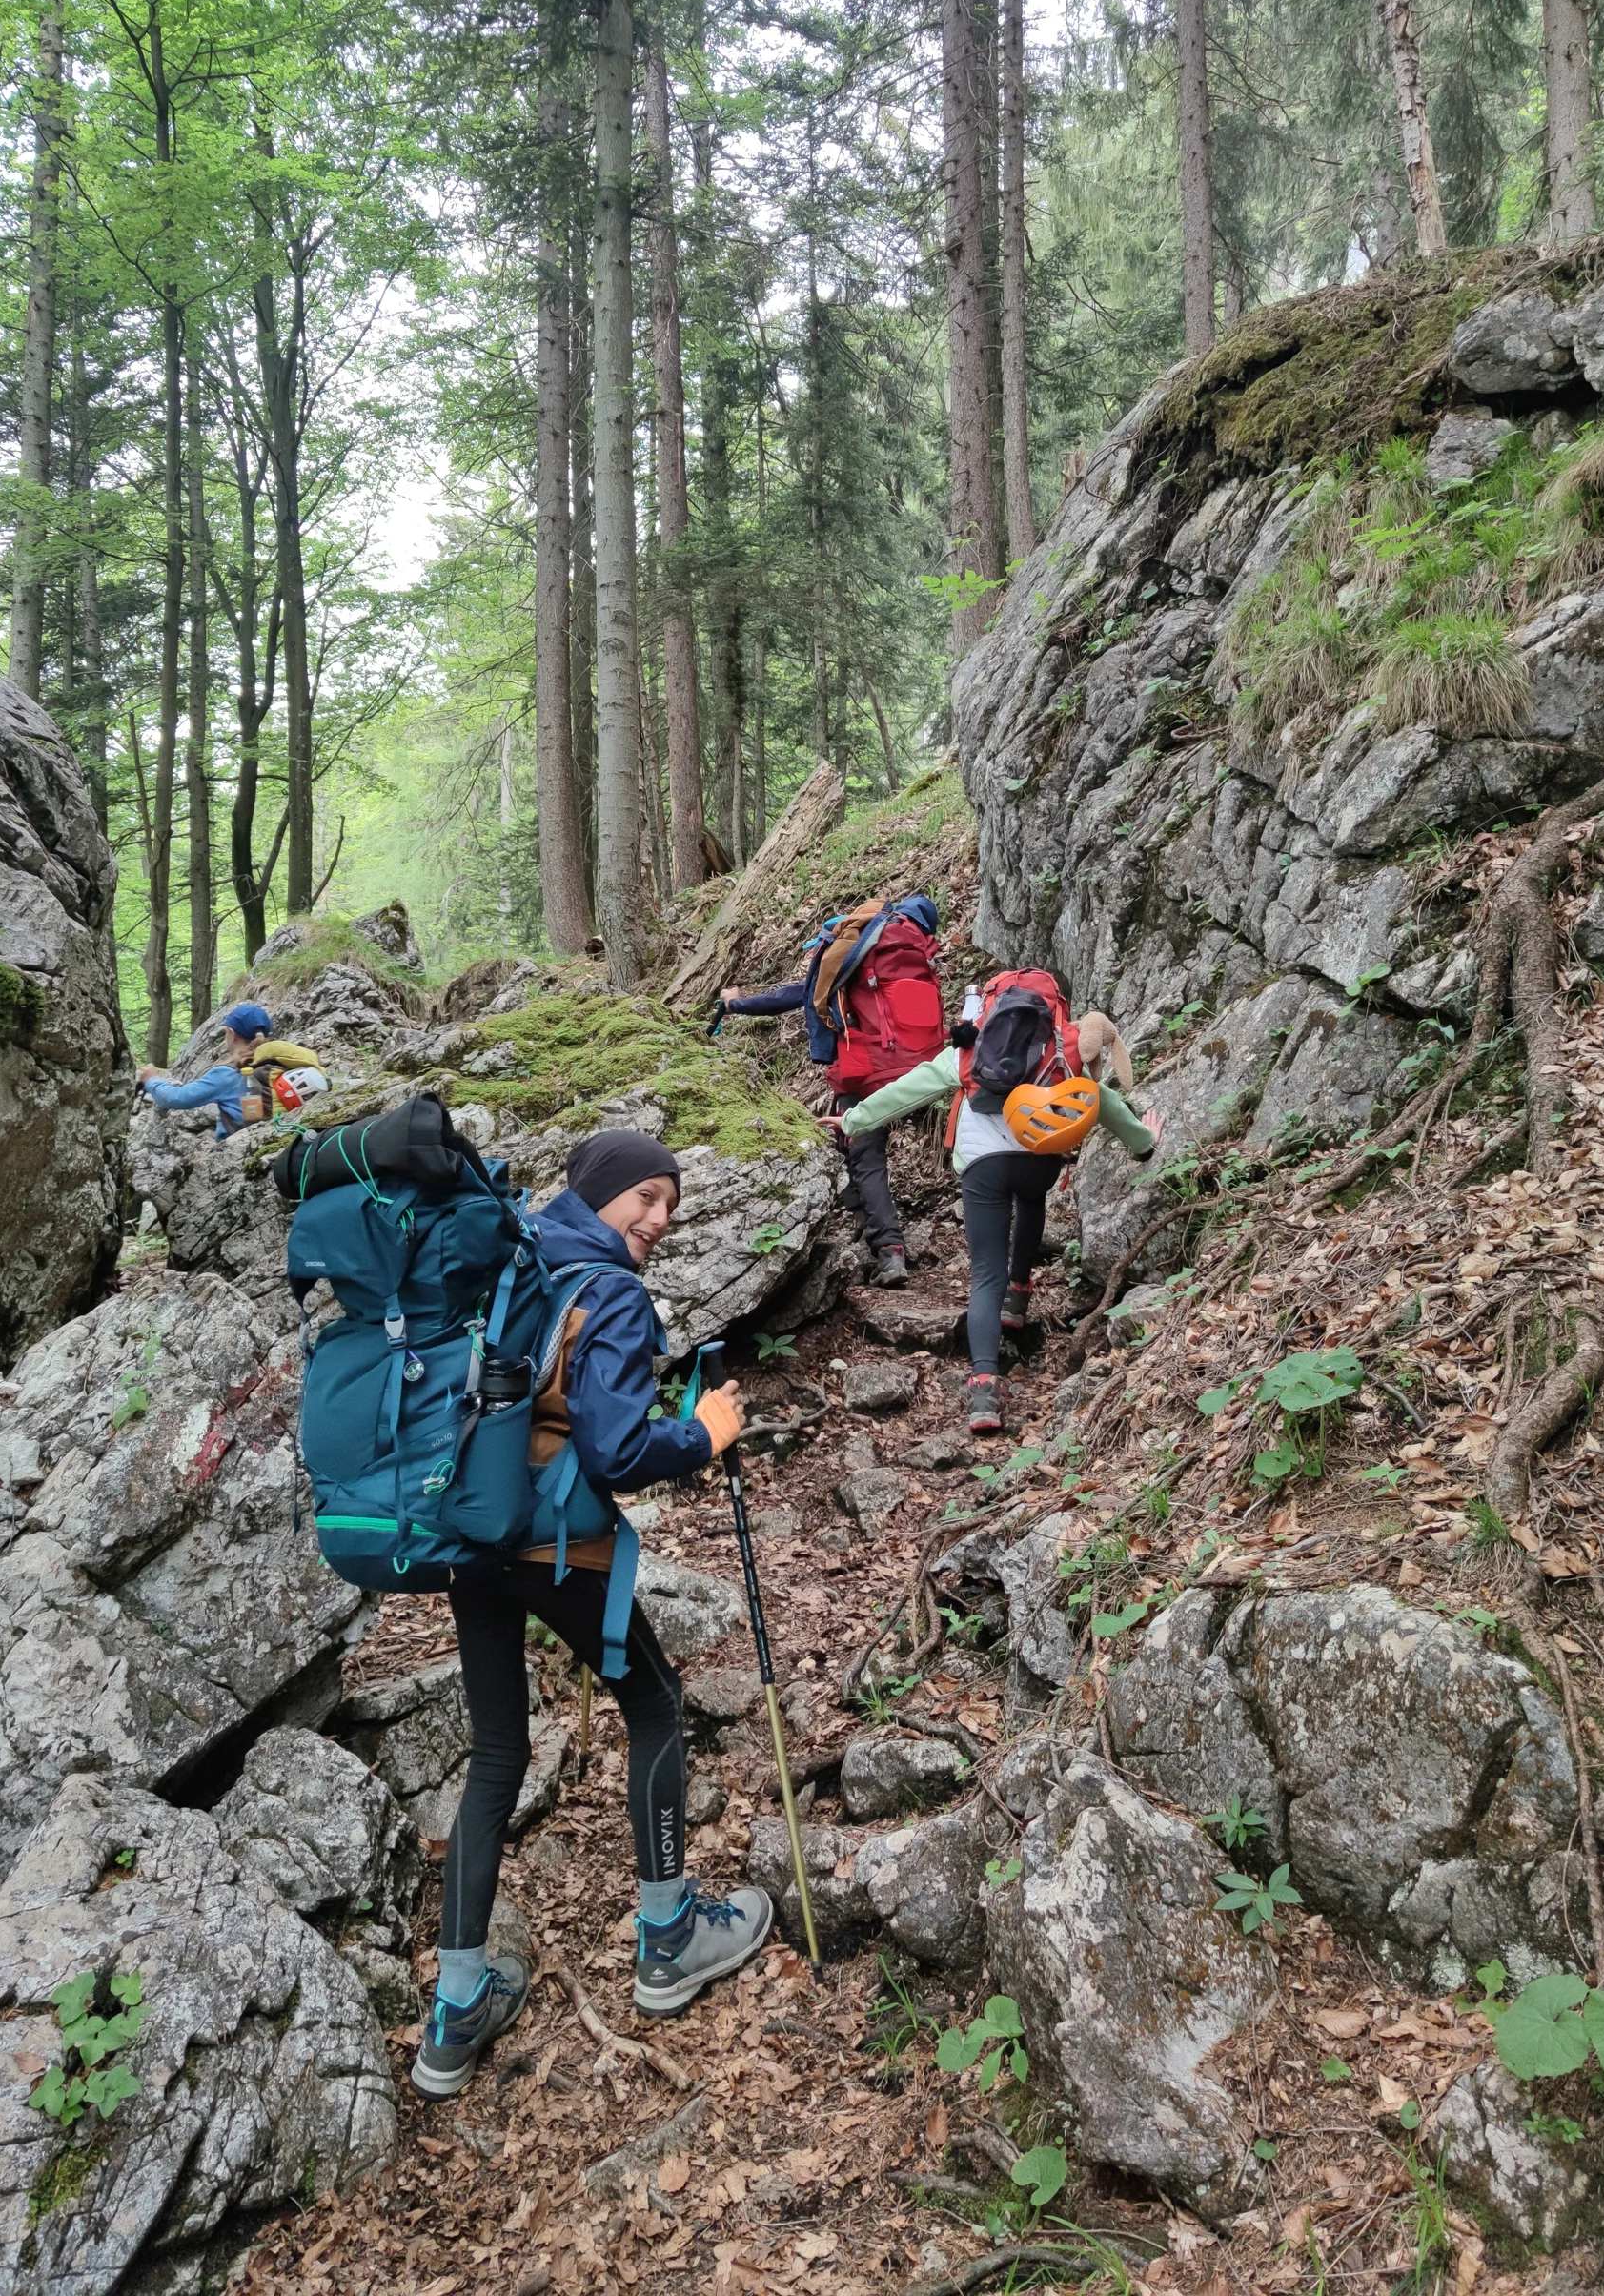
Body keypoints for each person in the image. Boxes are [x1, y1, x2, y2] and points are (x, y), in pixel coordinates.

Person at [412, 1128, 774, 2101]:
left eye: (670, 1206)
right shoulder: (607, 1288)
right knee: (655, 1705)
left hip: (468, 1530)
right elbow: (613, 1451)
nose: (656, 1219)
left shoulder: (519, 1255)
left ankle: (455, 2010)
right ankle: (667, 1939)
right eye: (644, 1197)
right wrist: (701, 1432)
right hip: (550, 1540)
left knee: (496, 1753)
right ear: (599, 1191)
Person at [828, 1001, 1163, 1435]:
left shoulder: (971, 1048)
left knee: (986, 1274)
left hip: (983, 1163)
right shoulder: (1059, 1049)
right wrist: (1143, 1141)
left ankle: (984, 1389)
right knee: (1031, 1198)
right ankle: (1019, 1293)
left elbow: (910, 1088)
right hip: (1039, 1155)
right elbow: (1102, 1101)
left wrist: (852, 1121)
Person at [715, 893, 945, 1287]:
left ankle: (889, 1251)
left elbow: (797, 996)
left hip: (866, 1069)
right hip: (920, 1064)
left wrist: (737, 1005)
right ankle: (865, 1224)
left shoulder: (848, 947)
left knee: (865, 1153)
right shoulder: (910, 947)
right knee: (855, 1140)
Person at [136, 1002, 327, 1137]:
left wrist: (151, 1080)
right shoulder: (280, 1062)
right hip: (282, 1139)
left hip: (240, 1150)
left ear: (231, 1034)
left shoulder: (227, 1074)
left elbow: (177, 1098)